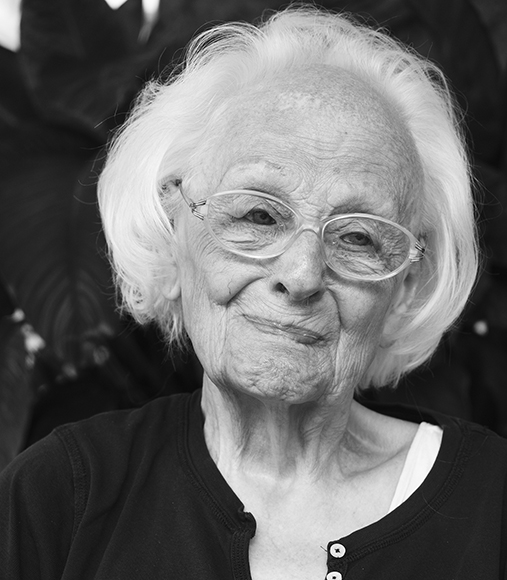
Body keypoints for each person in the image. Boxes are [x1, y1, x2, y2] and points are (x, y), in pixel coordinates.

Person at [1, 6, 505, 580]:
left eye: (358, 237)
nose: (303, 274)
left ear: (405, 287)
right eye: (258, 215)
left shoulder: (493, 506)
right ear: (173, 234)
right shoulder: (59, 498)